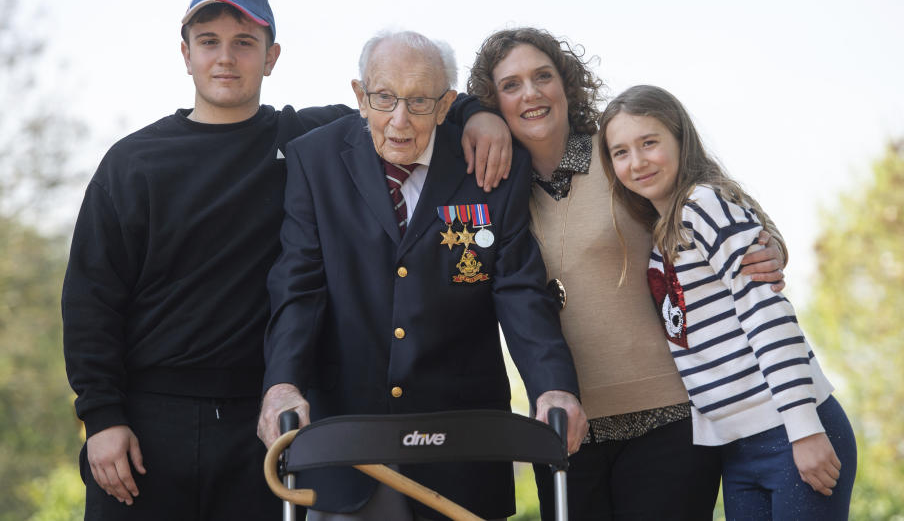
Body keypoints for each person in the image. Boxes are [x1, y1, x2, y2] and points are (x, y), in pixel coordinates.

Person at [61, 0, 512, 521]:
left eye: (244, 42)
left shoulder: (307, 138)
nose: (225, 57)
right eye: (208, 41)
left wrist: (477, 113)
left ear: (271, 57)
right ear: (186, 55)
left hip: (267, 421)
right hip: (150, 419)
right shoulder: (133, 162)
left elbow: (405, 99)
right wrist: (103, 416)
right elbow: (90, 298)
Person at [257, 30, 587, 521]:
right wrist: (282, 384)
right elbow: (299, 285)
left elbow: (517, 287)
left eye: (419, 101)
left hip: (462, 442)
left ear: (446, 103)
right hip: (347, 439)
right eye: (384, 98)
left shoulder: (490, 166)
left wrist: (553, 385)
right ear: (359, 96)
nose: (399, 120)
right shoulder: (315, 159)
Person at [467, 27, 789, 521]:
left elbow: (708, 196)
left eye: (543, 76)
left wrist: (769, 244)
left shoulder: (616, 154)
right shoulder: (495, 187)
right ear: (493, 104)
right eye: (511, 85)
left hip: (670, 419)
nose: (530, 93)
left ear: (566, 84)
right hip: (564, 430)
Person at [598, 84, 856, 520]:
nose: (637, 162)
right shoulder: (664, 233)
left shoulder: (704, 203)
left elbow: (765, 315)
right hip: (737, 447)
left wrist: (804, 427)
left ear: (680, 139)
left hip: (790, 428)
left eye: (649, 143)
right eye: (621, 152)